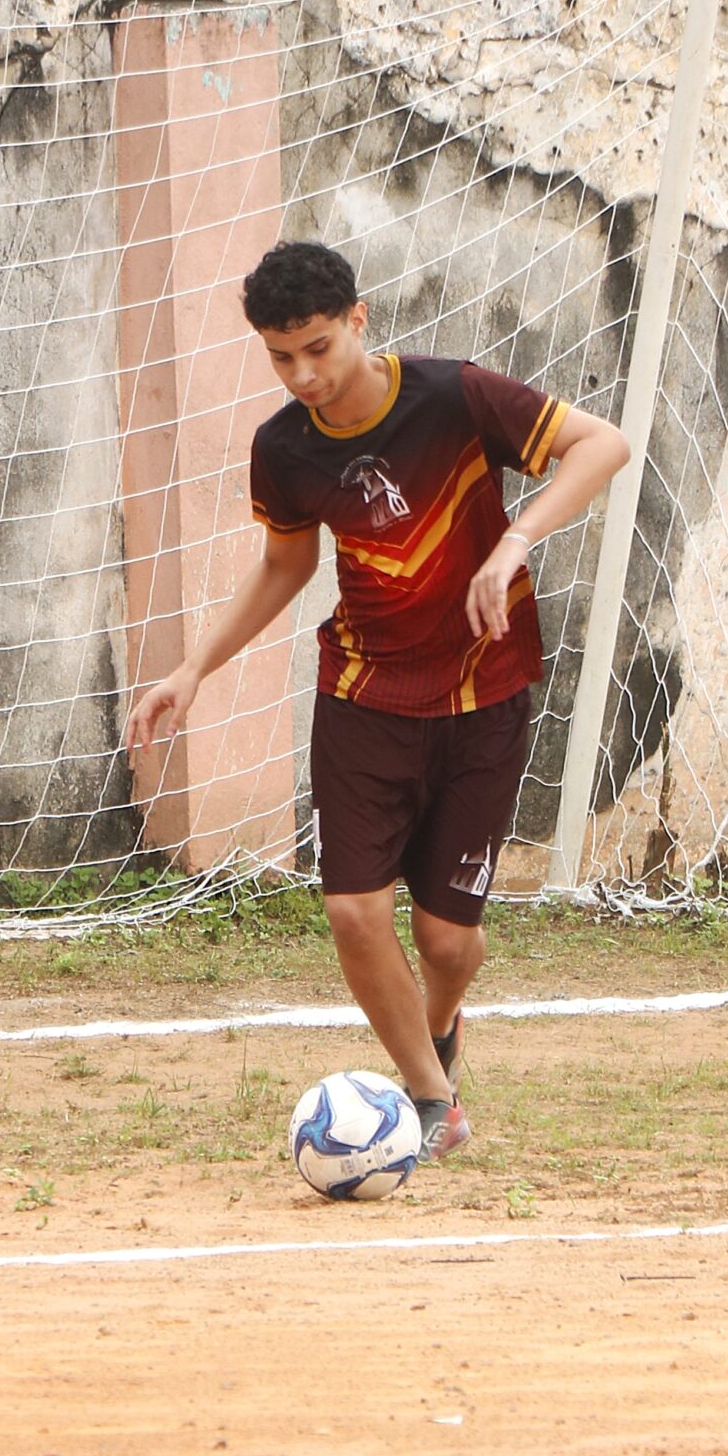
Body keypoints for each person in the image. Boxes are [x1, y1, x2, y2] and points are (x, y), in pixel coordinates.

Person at [124, 239, 629, 1163]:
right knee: (354, 912)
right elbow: (284, 566)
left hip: (483, 693)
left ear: (357, 320)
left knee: (445, 941)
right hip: (362, 693)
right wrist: (193, 668)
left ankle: (438, 1021)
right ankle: (432, 1098)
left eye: (317, 348)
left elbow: (603, 444)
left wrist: (513, 541)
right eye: (280, 357)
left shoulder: (453, 395)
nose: (302, 375)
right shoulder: (283, 448)